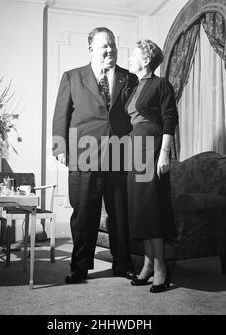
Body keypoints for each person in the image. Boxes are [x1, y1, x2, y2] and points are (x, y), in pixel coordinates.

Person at [52, 27, 137, 284]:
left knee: (121, 213)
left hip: (119, 156)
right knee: (84, 214)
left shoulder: (129, 78)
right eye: (104, 46)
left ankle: (122, 264)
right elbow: (60, 115)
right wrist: (60, 148)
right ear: (91, 50)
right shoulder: (72, 77)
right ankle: (79, 267)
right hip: (84, 154)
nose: (109, 49)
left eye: (112, 44)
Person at [126, 39, 178, 293]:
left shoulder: (161, 84)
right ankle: (147, 265)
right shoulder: (134, 86)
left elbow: (170, 119)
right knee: (141, 211)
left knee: (152, 210)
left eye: (132, 56)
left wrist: (164, 154)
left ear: (146, 60)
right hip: (134, 152)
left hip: (153, 147)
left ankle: (160, 269)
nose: (128, 60)